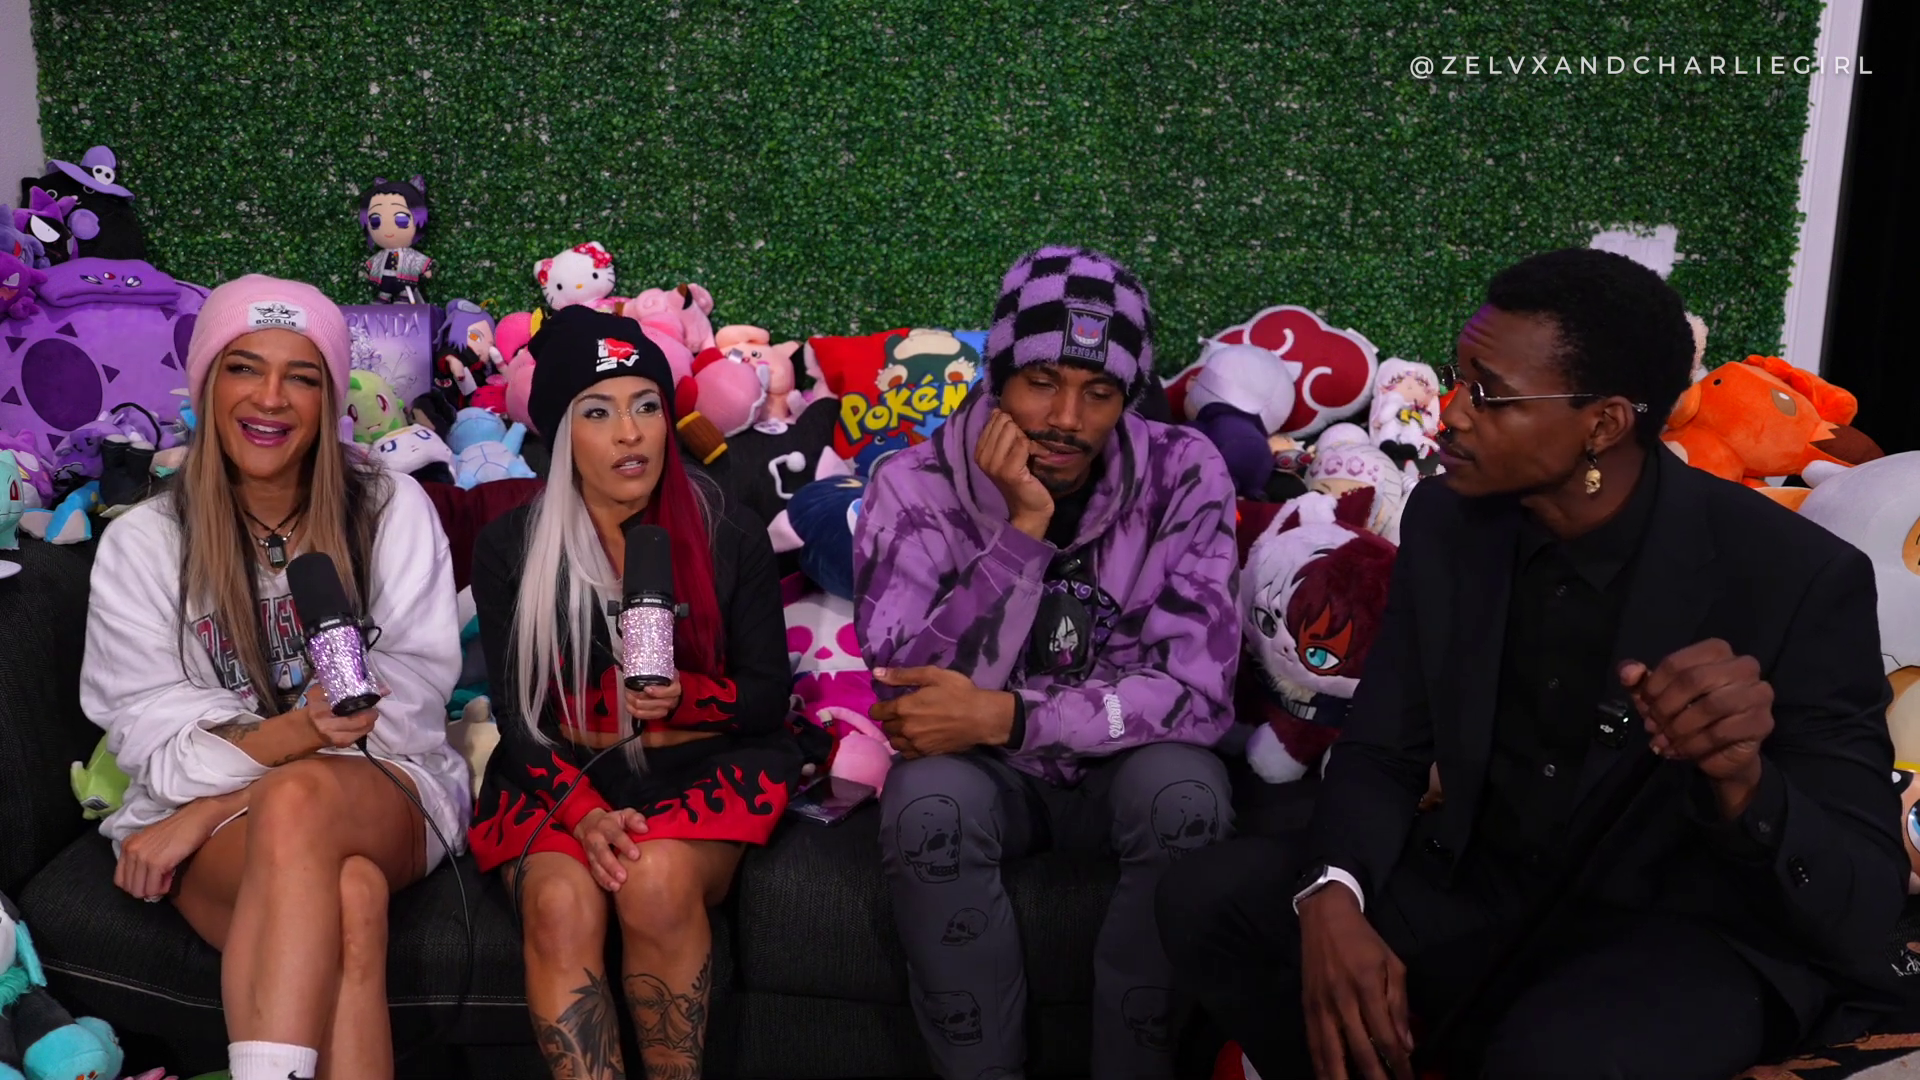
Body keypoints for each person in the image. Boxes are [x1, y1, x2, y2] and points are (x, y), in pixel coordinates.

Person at [1159, 248, 1906, 1080]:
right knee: (1210, 900)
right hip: (1486, 889)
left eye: (1489, 394)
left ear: (1604, 424)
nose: (1449, 412)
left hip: (1686, 929)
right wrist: (1331, 892)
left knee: (1555, 1057)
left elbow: (1867, 893)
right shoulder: (1447, 521)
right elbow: (1383, 747)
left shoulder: (1795, 576)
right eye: (1456, 377)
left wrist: (1742, 780)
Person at [854, 246, 1243, 1079]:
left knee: (1187, 794)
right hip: (986, 779)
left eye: (1099, 391)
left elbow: (1197, 695)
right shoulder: (911, 487)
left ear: (1128, 397)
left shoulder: (1184, 473)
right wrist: (1020, 536)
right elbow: (910, 704)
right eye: (1041, 382)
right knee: (928, 803)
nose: (1066, 417)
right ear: (997, 377)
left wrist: (1011, 715)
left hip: (1122, 769)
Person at [81, 275, 468, 1080]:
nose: (270, 398)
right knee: (351, 898)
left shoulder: (391, 508)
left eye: (302, 376)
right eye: (243, 367)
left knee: (297, 801)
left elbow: (410, 711)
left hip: (382, 788)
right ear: (206, 385)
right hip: (205, 805)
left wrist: (220, 802)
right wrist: (295, 733)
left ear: (330, 399)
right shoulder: (143, 543)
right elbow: (155, 738)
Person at [468, 306, 802, 1080]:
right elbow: (519, 717)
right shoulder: (510, 546)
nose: (631, 434)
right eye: (599, 413)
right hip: (559, 775)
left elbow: (766, 699)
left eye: (646, 406)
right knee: (560, 905)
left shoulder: (727, 528)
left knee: (652, 880)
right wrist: (584, 814)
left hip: (703, 770)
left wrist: (684, 697)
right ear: (561, 436)